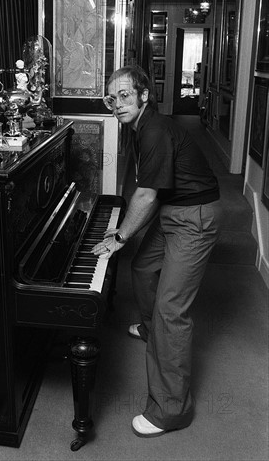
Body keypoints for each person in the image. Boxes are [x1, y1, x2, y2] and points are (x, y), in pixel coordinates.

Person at [91, 65, 221, 438]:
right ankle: (151, 331)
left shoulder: (155, 130)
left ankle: (171, 410)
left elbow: (147, 195)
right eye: (111, 98)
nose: (117, 104)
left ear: (145, 95)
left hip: (194, 218)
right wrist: (125, 226)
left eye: (125, 95)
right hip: (173, 209)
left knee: (171, 311)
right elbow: (148, 188)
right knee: (144, 268)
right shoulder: (139, 127)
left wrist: (120, 237)